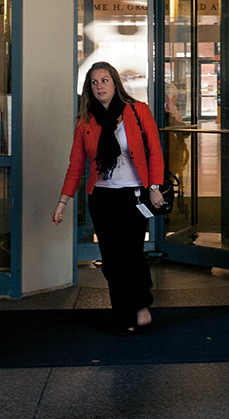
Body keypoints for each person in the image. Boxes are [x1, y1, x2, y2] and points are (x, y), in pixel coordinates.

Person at [52, 61, 166, 335]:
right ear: (89, 88)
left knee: (132, 256)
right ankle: (125, 313)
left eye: (104, 80)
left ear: (115, 83)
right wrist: (63, 202)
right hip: (102, 198)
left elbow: (154, 151)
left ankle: (139, 305)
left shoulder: (138, 111)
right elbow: (76, 165)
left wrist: (154, 186)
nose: (100, 86)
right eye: (94, 82)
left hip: (134, 195)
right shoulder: (85, 122)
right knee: (112, 260)